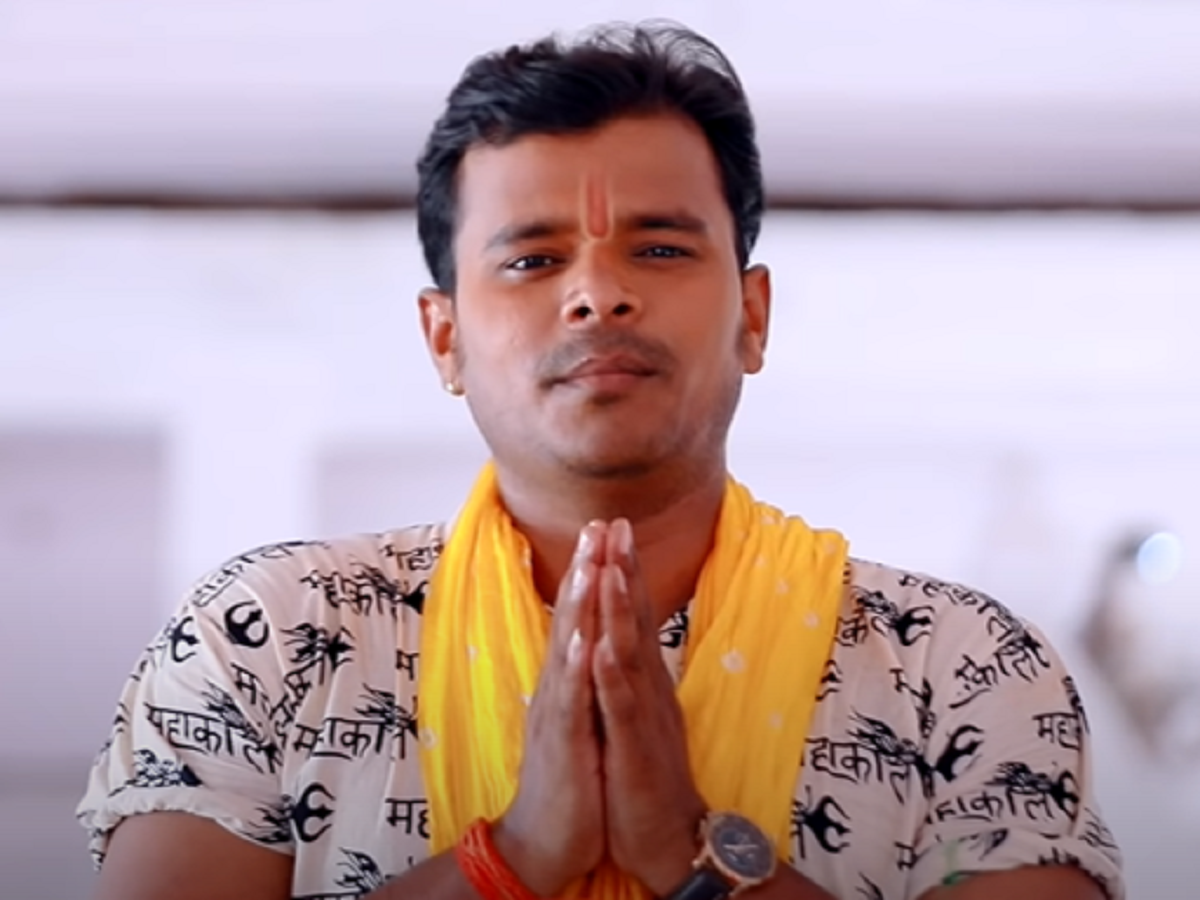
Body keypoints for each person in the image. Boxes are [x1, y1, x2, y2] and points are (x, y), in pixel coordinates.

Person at [77, 21, 1124, 900]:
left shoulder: (956, 666)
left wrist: (692, 851)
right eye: (533, 259)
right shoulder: (272, 639)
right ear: (445, 339)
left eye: (660, 249)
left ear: (752, 317)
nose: (597, 296)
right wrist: (514, 856)